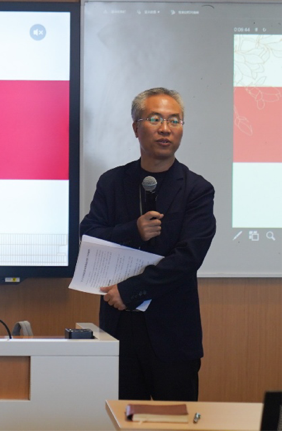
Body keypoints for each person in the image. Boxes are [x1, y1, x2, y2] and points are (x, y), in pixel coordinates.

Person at [80, 87, 215, 401]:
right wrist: (133, 230)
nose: (166, 129)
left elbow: (188, 257)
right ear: (136, 128)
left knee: (175, 421)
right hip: (119, 330)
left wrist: (130, 291)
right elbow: (89, 234)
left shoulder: (197, 189)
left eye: (174, 120)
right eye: (155, 119)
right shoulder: (112, 182)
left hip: (173, 335)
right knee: (121, 418)